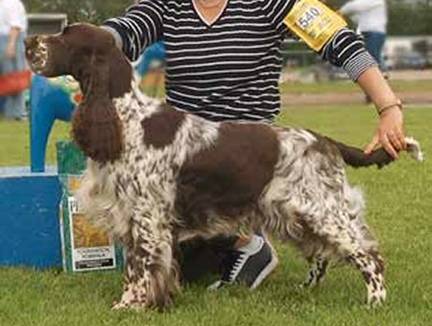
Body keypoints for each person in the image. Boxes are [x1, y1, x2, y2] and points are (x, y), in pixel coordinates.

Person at [101, 0, 406, 289]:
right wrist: (94, 39)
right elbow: (127, 30)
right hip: (186, 159)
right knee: (162, 253)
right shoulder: (167, 5)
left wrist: (388, 106)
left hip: (251, 159)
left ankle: (246, 240)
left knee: (160, 241)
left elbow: (336, 38)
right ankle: (233, 240)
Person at [339, 0, 388, 71]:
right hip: (368, 33)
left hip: (375, 33)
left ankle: (380, 75)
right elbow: (358, 17)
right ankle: (381, 75)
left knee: (371, 56)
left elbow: (356, 6)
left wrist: (341, 11)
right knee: (369, 56)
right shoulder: (368, 7)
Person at [0, 0, 27, 120]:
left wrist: (11, 45)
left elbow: (15, 26)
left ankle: (16, 112)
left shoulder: (11, 3)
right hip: (3, 37)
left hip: (12, 38)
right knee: (6, 78)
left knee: (15, 77)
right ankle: (8, 111)